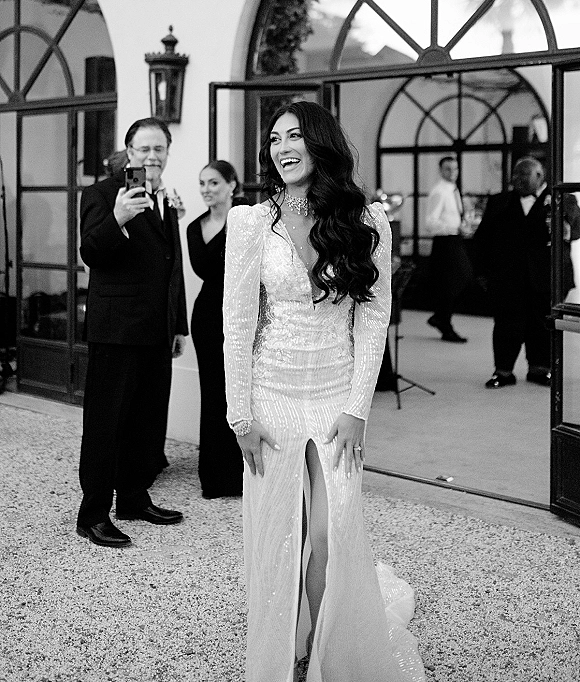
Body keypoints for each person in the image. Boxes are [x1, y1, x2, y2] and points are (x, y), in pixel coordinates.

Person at [223, 100, 425, 682]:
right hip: (272, 393)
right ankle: (283, 649)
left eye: (294, 137)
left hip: (336, 392)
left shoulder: (366, 222)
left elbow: (373, 314)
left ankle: (332, 650)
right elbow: (236, 323)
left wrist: (358, 408)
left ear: (320, 144)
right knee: (277, 534)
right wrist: (241, 416)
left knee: (330, 531)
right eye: (274, 139)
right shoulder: (249, 224)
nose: (282, 148)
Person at [76, 116, 188, 548]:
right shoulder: (103, 193)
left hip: (155, 331)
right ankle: (93, 515)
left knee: (145, 423)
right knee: (106, 426)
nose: (152, 156)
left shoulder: (162, 199)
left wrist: (177, 325)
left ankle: (135, 499)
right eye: (144, 149)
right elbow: (91, 251)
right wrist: (118, 218)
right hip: (115, 330)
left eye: (159, 149)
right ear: (128, 152)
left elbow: (170, 266)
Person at [474, 156, 580, 389]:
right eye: (515, 174)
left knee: (542, 325)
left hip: (548, 277)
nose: (516, 179)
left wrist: (564, 220)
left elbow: (576, 232)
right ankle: (503, 372)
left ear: (540, 176)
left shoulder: (564, 199)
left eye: (523, 174)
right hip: (508, 278)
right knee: (505, 326)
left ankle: (540, 369)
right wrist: (481, 273)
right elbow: (482, 239)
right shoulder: (499, 201)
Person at [187, 160, 246, 499]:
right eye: (202, 184)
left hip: (241, 312)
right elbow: (203, 269)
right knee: (212, 394)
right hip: (208, 315)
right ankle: (214, 477)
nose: (207, 190)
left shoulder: (248, 219)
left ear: (231, 185)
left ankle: (244, 474)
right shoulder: (194, 227)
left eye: (213, 183)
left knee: (240, 392)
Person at [425, 155, 472, 342]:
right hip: (445, 242)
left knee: (460, 280)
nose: (452, 173)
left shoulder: (453, 189)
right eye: (448, 169)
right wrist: (455, 228)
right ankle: (443, 322)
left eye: (455, 169)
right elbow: (430, 223)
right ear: (441, 170)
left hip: (454, 240)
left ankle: (441, 318)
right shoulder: (439, 191)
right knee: (453, 283)